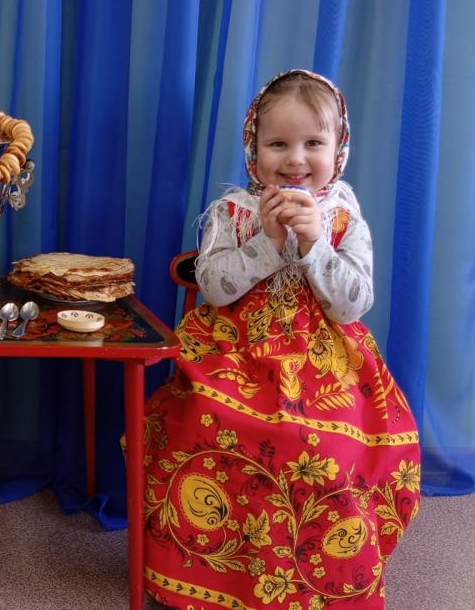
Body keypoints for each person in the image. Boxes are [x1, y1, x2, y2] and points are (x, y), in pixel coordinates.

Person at [142, 70, 420, 609]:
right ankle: (220, 573)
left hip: (327, 362)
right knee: (203, 422)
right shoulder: (232, 212)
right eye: (278, 144)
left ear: (338, 150)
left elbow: (353, 303)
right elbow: (214, 288)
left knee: (333, 450)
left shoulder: (345, 218)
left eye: (313, 143)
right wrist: (267, 244)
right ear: (254, 150)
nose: (296, 159)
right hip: (236, 351)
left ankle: (316, 579)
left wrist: (316, 246)